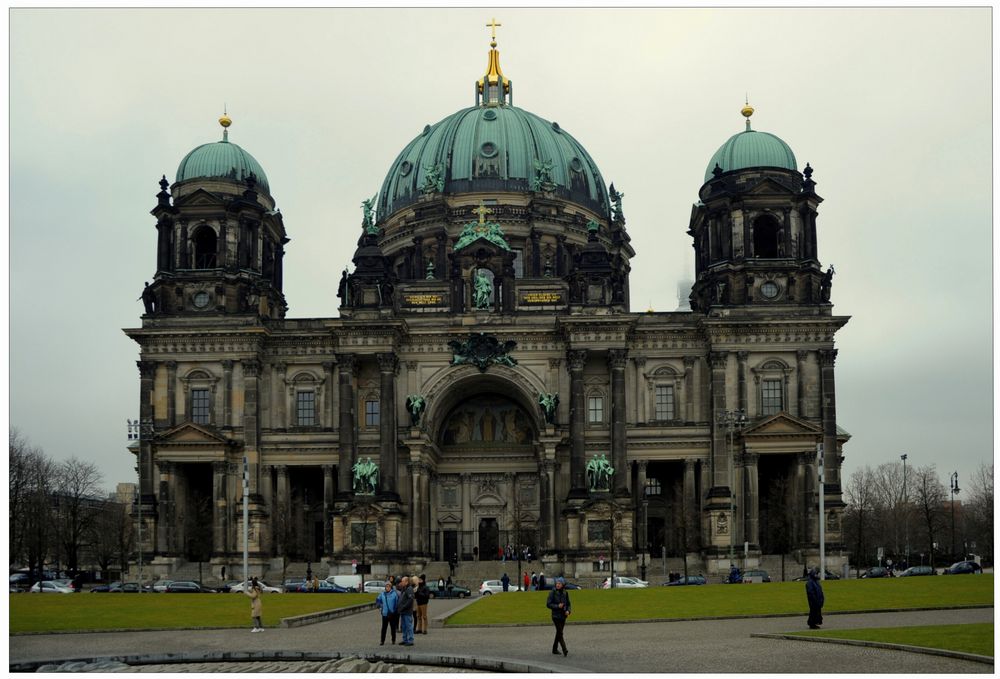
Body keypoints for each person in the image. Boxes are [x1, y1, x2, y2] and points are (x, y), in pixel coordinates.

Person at [546, 577, 572, 656]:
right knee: (560, 633)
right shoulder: (552, 593)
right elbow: (548, 604)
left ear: (563, 585)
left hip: (563, 615)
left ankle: (554, 649)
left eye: (559, 584)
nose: (558, 585)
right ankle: (565, 649)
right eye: (557, 583)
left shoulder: (565, 593)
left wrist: (568, 611)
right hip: (555, 616)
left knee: (558, 632)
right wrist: (557, 606)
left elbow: (568, 604)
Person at [375, 580, 399, 645]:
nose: (387, 588)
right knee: (384, 628)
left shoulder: (394, 594)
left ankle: (393, 640)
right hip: (384, 614)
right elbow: (377, 600)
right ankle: (382, 641)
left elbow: (397, 603)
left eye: (389, 586)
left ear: (391, 587)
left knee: (393, 628)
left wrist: (395, 611)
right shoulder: (382, 594)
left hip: (392, 614)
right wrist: (379, 606)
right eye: (386, 586)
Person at [397, 575, 416, 646]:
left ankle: (411, 640)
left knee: (409, 626)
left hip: (407, 611)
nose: (401, 582)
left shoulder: (409, 589)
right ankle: (405, 639)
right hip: (403, 611)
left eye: (402, 581)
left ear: (406, 582)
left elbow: (410, 600)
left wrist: (404, 607)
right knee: (404, 626)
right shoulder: (404, 588)